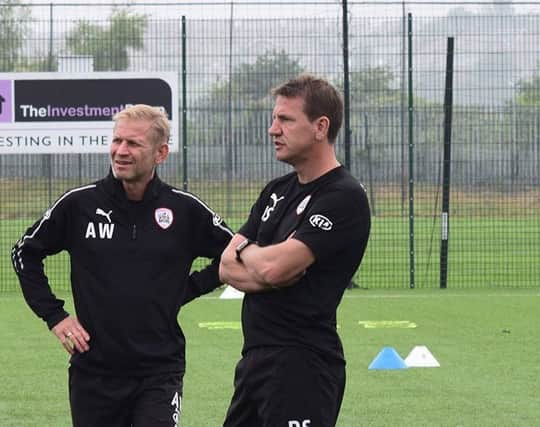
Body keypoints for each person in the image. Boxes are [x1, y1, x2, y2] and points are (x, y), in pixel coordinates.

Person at [11, 104, 233, 427]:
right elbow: (24, 252)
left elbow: (237, 252)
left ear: (161, 153)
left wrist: (187, 289)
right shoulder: (79, 205)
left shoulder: (184, 210)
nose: (121, 151)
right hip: (94, 374)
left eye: (133, 144)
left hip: (160, 371)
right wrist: (54, 315)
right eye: (117, 141)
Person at [219, 74, 371, 427]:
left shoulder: (343, 196)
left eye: (285, 119)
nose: (273, 129)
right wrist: (263, 261)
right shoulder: (277, 190)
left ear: (320, 127)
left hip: (303, 365)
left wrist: (252, 256)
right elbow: (226, 265)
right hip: (255, 362)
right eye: (274, 119)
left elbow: (274, 269)